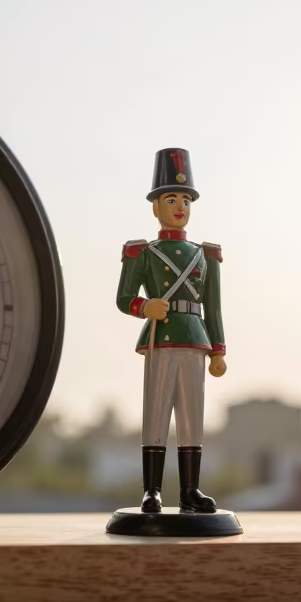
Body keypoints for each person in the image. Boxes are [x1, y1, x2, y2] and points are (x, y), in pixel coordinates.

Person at [115, 148, 226, 514]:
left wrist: (219, 349)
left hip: (195, 338)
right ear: (156, 206)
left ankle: (190, 490)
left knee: (192, 416)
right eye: (171, 198)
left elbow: (214, 305)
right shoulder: (143, 252)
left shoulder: (204, 255)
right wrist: (145, 307)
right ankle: (152, 491)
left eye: (185, 199)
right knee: (157, 413)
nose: (179, 206)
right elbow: (124, 297)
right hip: (160, 338)